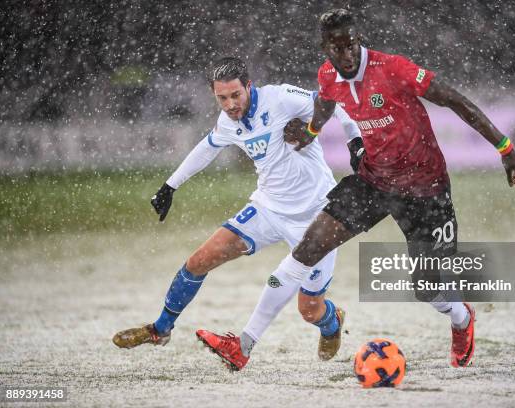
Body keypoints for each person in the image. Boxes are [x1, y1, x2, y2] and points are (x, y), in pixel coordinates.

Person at [202, 9, 515, 369]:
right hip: (374, 181)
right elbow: (325, 102)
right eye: (337, 48)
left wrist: (505, 149)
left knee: (426, 288)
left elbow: (454, 99)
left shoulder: (394, 69)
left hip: (425, 189)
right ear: (326, 49)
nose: (347, 54)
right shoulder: (328, 75)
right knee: (308, 248)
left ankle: (461, 317)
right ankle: (243, 347)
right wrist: (310, 133)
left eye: (351, 44)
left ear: (359, 40)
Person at [112, 56, 362, 370]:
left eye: (235, 95)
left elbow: (332, 101)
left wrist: (353, 139)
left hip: (317, 216)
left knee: (309, 310)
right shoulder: (228, 121)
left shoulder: (281, 97)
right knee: (199, 260)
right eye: (222, 98)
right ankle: (160, 330)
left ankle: (331, 322)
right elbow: (207, 146)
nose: (230, 104)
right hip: (267, 208)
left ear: (248, 86)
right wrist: (170, 186)